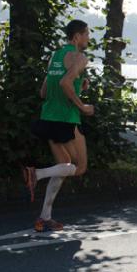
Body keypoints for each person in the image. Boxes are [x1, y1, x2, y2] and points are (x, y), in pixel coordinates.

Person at [23, 20, 93, 232]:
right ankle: (37, 174)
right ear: (77, 37)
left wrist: (78, 85)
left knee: (63, 164)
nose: (88, 38)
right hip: (67, 118)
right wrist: (82, 106)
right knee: (79, 167)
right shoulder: (80, 57)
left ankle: (45, 217)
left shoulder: (55, 56)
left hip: (48, 117)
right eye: (87, 34)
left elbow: (44, 91)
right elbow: (64, 83)